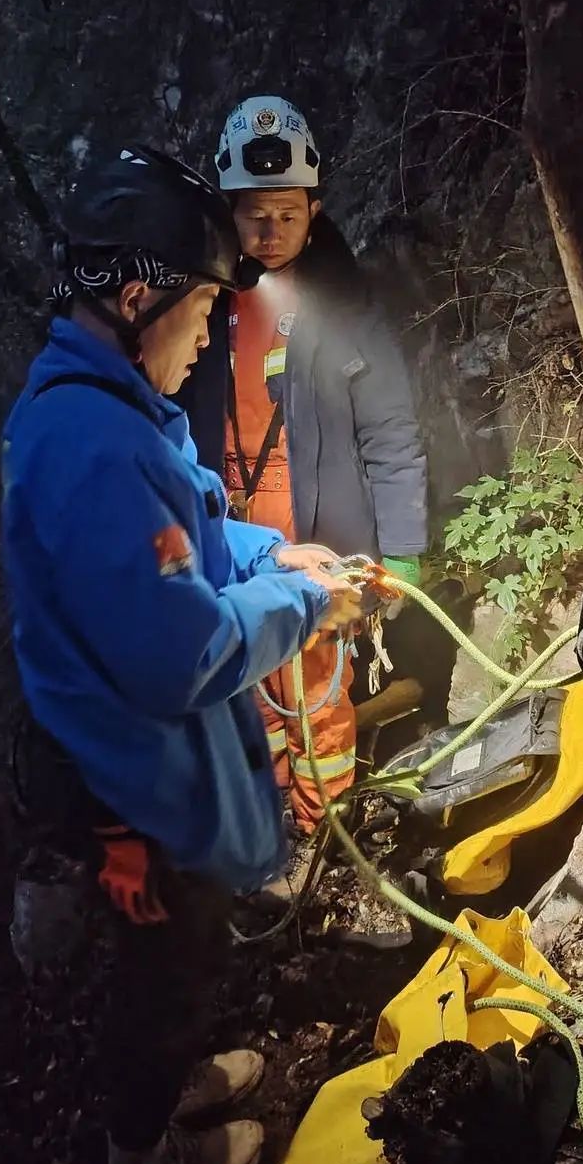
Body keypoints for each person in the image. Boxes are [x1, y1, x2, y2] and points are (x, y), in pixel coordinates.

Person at [0, 145, 362, 1164]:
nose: (209, 332)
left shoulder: (113, 409)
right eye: (201, 307)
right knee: (162, 977)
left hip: (152, 776)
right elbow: (176, 653)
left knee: (185, 961)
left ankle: (164, 1094)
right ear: (136, 294)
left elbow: (191, 531)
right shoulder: (92, 444)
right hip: (134, 796)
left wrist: (272, 558)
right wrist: (306, 604)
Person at [178, 95, 428, 832]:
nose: (271, 230)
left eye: (288, 213)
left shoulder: (345, 303)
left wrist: (406, 548)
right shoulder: (198, 301)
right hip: (227, 529)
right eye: (254, 213)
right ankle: (275, 813)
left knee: (318, 687)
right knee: (249, 685)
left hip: (316, 525)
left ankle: (329, 826)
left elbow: (390, 431)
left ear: (314, 210)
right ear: (228, 210)